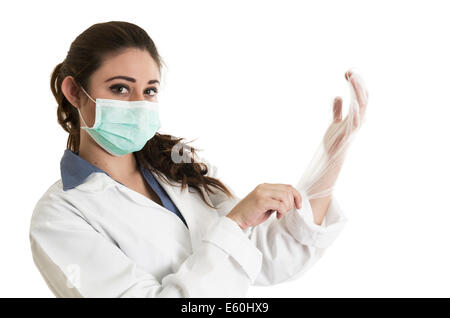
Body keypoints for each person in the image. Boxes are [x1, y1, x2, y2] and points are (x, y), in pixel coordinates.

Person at [29, 21, 366, 298]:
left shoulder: (174, 171)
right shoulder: (59, 216)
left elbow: (269, 258)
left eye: (149, 90)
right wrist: (234, 224)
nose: (138, 103)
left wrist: (331, 157)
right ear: (73, 91)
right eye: (120, 88)